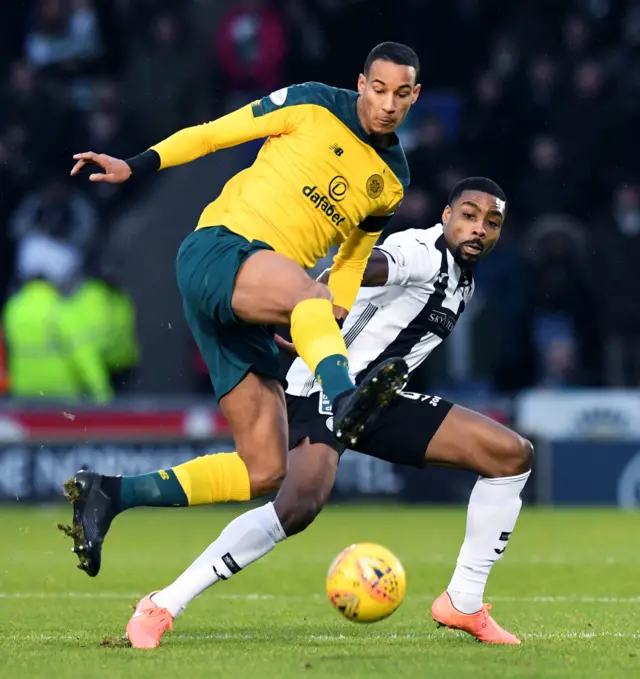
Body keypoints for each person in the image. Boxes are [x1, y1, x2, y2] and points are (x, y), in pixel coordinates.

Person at [66, 178, 533, 648]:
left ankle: (463, 603)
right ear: (447, 215)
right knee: (296, 507)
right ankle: (162, 604)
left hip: (379, 400)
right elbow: (363, 268)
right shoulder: (421, 251)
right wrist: (308, 304)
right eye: (469, 216)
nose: (478, 229)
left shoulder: (463, 279)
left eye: (491, 223)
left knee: (510, 455)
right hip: (326, 391)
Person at [62, 42, 421, 569]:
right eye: (380, 89)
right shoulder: (312, 103)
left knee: (265, 469)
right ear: (362, 82)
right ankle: (346, 399)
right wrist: (135, 165)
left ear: (415, 96)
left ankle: (110, 494)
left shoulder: (392, 179)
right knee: (307, 293)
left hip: (259, 288)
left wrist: (323, 322)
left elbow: (349, 263)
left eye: (402, 94)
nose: (389, 104)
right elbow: (213, 133)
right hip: (220, 248)